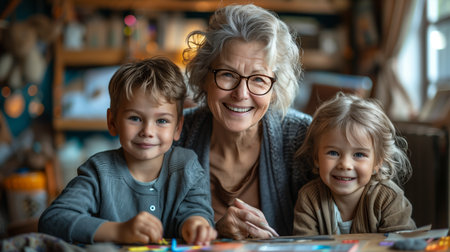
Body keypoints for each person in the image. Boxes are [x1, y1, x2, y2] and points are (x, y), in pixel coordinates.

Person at [38, 57, 217, 245]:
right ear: (112, 122)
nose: (147, 131)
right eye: (135, 118)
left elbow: (198, 211)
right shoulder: (100, 170)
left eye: (162, 121)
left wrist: (197, 224)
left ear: (178, 127)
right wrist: (118, 231)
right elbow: (52, 220)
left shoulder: (186, 165)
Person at [176, 4, 312, 239]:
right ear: (204, 76)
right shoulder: (175, 135)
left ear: (275, 88)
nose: (241, 94)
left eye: (258, 79)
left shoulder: (302, 136)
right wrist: (216, 234)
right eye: (228, 74)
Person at [293, 92, 416, 235]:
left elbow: (399, 246)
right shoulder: (309, 198)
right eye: (333, 153)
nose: (345, 165)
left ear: (377, 162)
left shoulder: (388, 198)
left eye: (359, 154)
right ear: (316, 157)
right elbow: (304, 246)